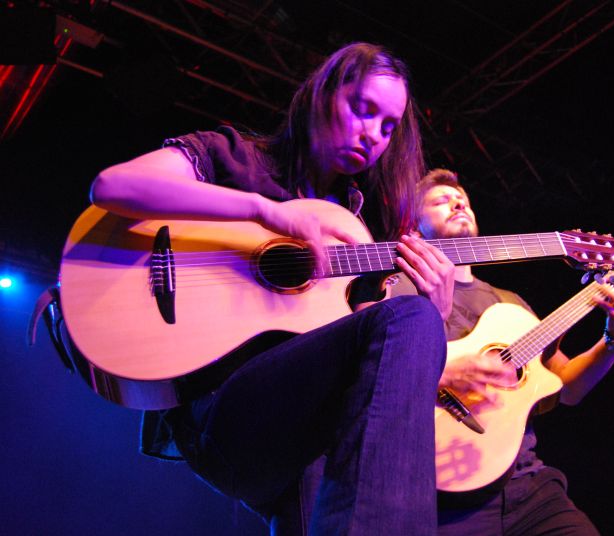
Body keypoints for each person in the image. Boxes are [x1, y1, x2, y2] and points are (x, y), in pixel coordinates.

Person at [89, 43, 456, 535]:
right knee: (408, 322)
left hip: (299, 431)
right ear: (323, 93)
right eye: (362, 109)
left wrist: (437, 309)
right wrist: (266, 211)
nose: (372, 134)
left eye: (388, 126)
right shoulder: (237, 158)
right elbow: (113, 186)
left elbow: (373, 376)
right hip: (220, 414)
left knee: (414, 320)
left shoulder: (359, 229)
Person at [413, 169, 614, 535]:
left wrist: (613, 339)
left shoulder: (509, 304)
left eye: (463, 200)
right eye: (441, 201)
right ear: (413, 224)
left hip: (528, 484)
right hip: (445, 487)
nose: (458, 203)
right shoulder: (400, 290)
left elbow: (567, 388)